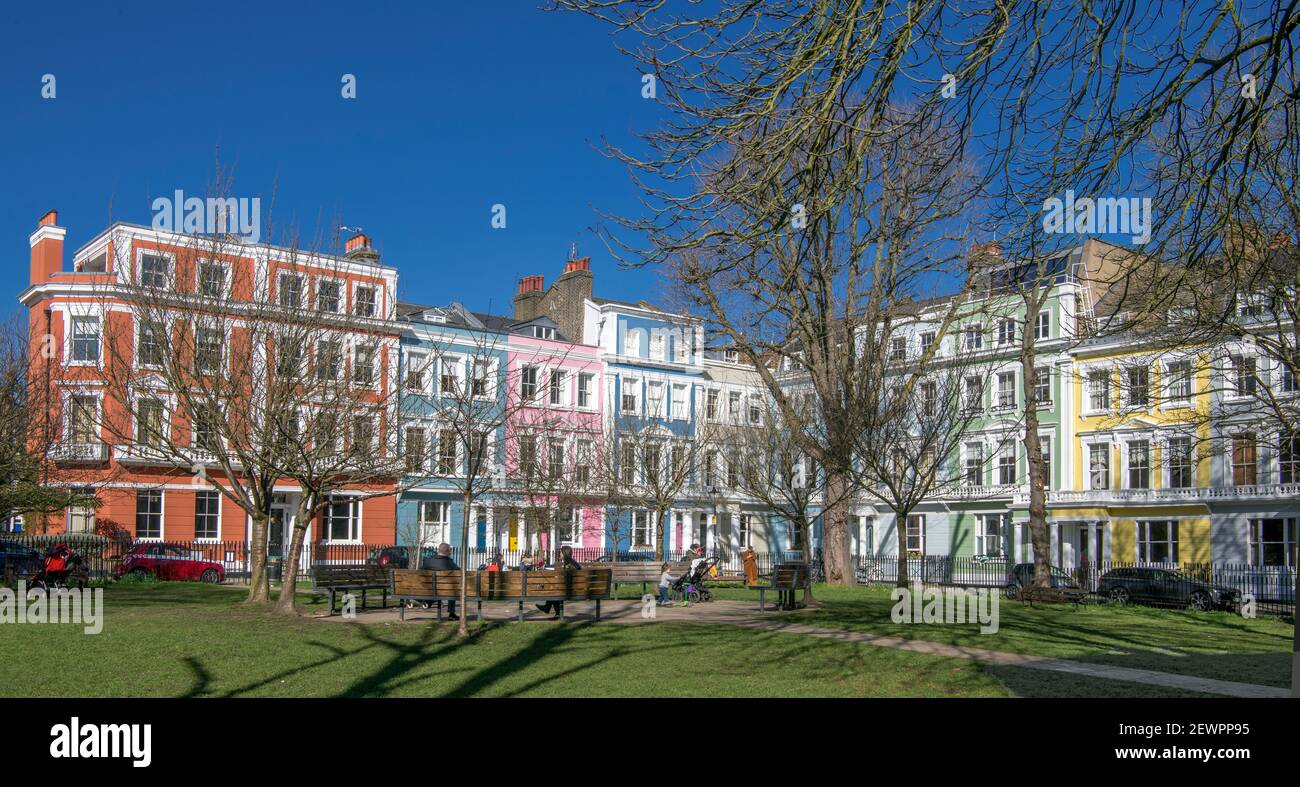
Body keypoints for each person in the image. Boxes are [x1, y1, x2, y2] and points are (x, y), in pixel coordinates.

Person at [535, 545, 581, 617]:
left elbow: (566, 577)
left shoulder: (569, 564)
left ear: (565, 553)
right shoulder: (572, 562)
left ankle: (550, 609)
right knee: (554, 588)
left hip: (571, 589)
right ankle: (552, 610)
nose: (560, 554)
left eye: (561, 553)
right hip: (574, 587)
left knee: (554, 590)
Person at [419, 542, 460, 620]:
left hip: (428, 589)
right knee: (452, 589)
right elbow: (459, 572)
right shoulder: (449, 562)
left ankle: (429, 601)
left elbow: (421, 572)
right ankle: (451, 614)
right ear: (447, 551)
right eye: (450, 550)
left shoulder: (428, 561)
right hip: (446, 590)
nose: (451, 552)